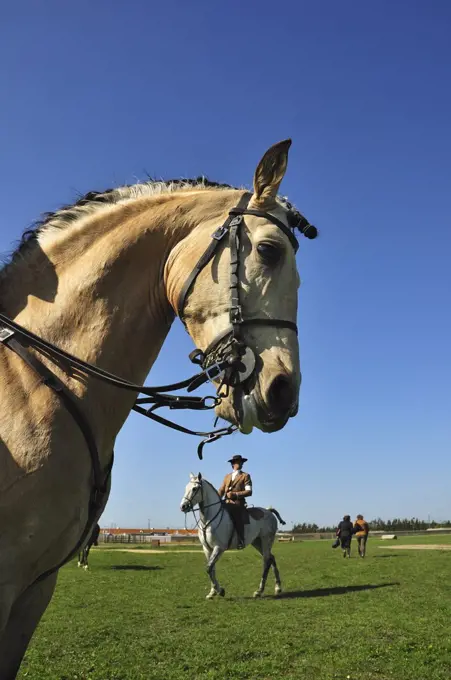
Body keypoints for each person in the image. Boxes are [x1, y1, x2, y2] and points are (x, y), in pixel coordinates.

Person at [218, 454, 252, 550]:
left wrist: (235, 494)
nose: (241, 463)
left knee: (237, 516)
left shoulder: (245, 476)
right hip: (226, 503)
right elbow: (221, 490)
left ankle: (241, 540)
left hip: (238, 504)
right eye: (238, 462)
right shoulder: (227, 476)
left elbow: (249, 491)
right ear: (233, 464)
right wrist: (217, 498)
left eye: (241, 462)